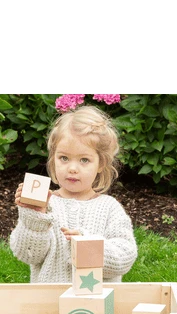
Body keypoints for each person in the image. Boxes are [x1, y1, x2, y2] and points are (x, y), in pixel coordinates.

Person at [9, 105, 138, 284]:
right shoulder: (45, 205)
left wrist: (87, 246)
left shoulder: (109, 207)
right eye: (64, 158)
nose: (72, 168)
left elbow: (124, 257)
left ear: (101, 164)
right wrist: (34, 218)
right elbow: (28, 255)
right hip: (49, 298)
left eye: (84, 160)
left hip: (97, 299)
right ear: (53, 158)